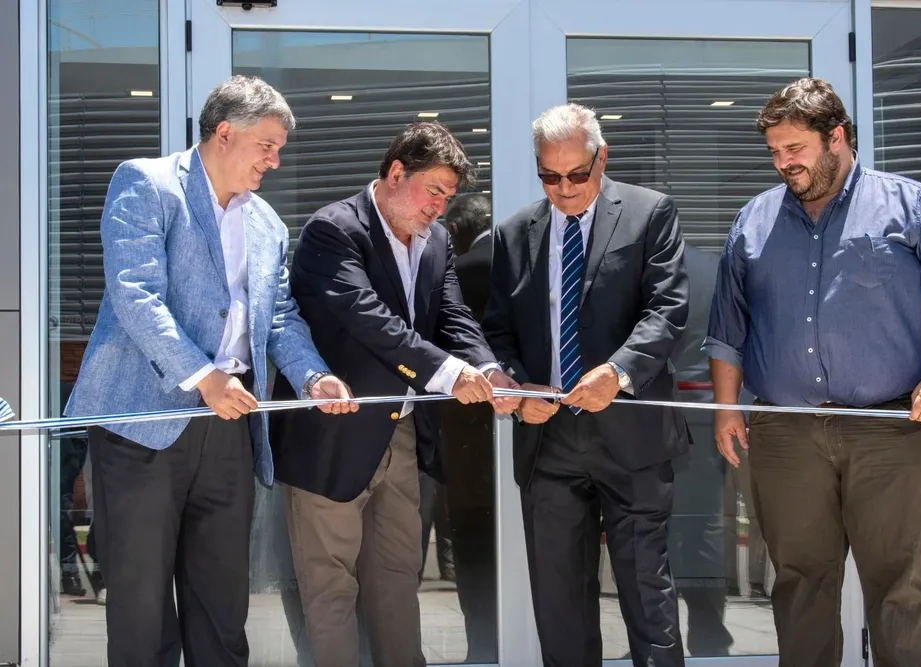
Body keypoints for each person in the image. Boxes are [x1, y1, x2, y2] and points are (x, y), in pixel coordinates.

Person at [64, 75, 356, 667]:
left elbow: (279, 319)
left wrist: (312, 377)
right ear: (225, 133)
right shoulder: (146, 184)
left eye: (279, 149)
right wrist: (202, 376)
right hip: (143, 422)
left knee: (223, 605)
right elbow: (135, 295)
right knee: (141, 608)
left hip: (229, 428)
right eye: (267, 146)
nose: (275, 161)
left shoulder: (268, 224)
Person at [704, 77, 921, 666]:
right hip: (785, 433)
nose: (784, 164)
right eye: (776, 153)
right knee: (800, 584)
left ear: (836, 138)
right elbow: (728, 325)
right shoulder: (753, 220)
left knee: (900, 588)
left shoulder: (912, 206)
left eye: (795, 149)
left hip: (890, 429)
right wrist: (727, 405)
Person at [269, 121, 519, 667]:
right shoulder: (334, 230)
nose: (439, 207)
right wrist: (451, 376)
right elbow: (368, 320)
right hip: (332, 436)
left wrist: (489, 370)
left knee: (397, 584)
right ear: (396, 172)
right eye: (433, 191)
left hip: (400, 436)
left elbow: (452, 315)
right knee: (329, 591)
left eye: (449, 198)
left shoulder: (435, 242)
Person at [482, 103, 690, 667]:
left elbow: (667, 310)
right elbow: (497, 330)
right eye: (550, 175)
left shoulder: (650, 214)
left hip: (633, 438)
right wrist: (515, 388)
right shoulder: (513, 233)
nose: (565, 188)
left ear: (603, 159)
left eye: (577, 173)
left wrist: (618, 372)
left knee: (648, 596)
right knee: (560, 608)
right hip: (548, 442)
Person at [438, 192, 499, 662]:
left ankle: (482, 646)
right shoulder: (527, 263)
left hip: (467, 435)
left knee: (475, 541)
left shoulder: (461, 270)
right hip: (535, 428)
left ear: (454, 233)